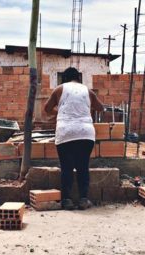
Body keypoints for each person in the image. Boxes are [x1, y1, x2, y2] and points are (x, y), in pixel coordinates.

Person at [44, 67, 104, 210]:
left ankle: (67, 200)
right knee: (83, 167)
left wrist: (60, 112)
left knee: (67, 168)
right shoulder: (87, 91)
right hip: (85, 133)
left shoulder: (59, 89)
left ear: (64, 79)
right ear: (79, 78)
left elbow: (47, 109)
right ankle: (83, 200)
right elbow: (100, 108)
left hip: (66, 132)